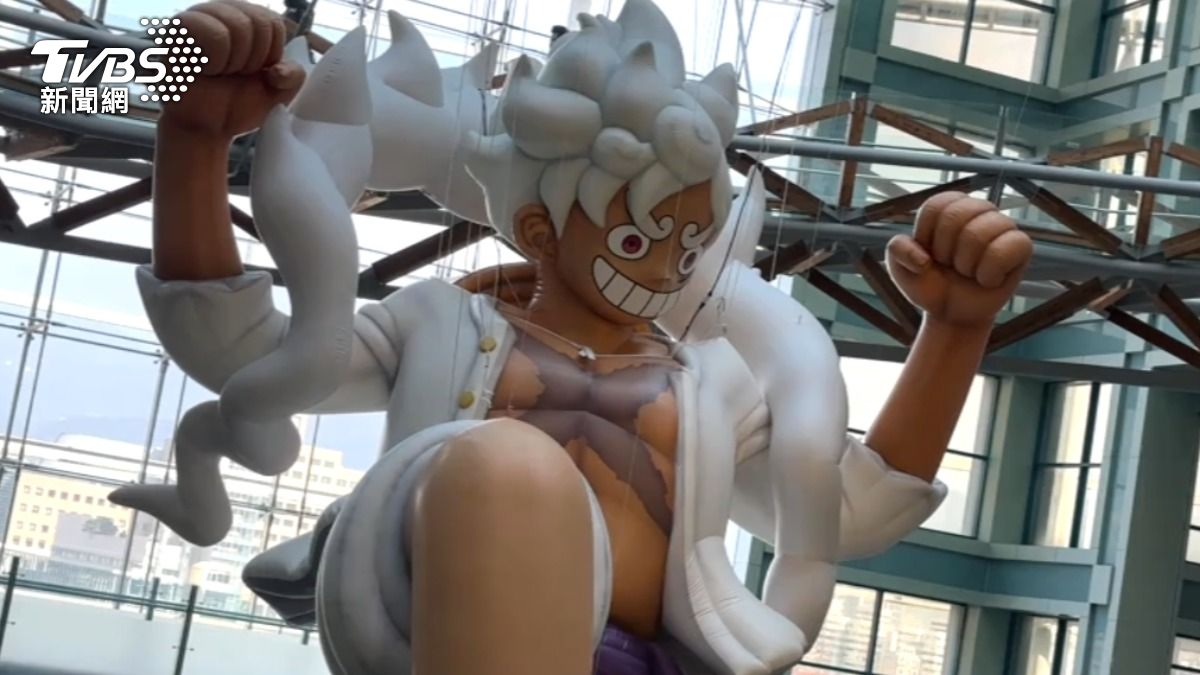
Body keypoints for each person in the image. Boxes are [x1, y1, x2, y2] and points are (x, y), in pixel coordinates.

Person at [116, 1, 1034, 674]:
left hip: (658, 659)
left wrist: (955, 331)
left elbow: (846, 511)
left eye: (687, 240)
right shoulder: (442, 322)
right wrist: (192, 141)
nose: (666, 266)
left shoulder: (710, 386)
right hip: (440, 636)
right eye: (637, 238)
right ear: (541, 228)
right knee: (504, 467)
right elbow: (246, 354)